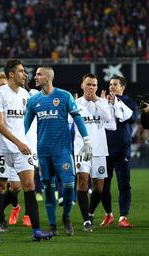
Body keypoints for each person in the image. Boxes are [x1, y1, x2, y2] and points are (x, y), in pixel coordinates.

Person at [24, 66, 93, 236]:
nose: (35, 77)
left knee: (69, 185)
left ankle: (66, 216)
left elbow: (77, 118)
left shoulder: (64, 96)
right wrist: (17, 144)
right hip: (43, 151)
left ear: (48, 77)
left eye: (39, 74)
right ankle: (53, 225)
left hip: (62, 151)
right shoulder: (33, 101)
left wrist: (86, 140)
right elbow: (24, 126)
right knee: (48, 188)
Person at [0, 60, 52, 242]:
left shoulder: (25, 94)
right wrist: (18, 142)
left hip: (22, 149)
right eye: (21, 71)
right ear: (11, 74)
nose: (25, 74)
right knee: (0, 187)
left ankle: (37, 231)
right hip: (1, 149)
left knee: (29, 186)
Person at [71, 74, 114, 232]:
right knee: (82, 182)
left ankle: (90, 212)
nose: (91, 87)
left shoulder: (102, 102)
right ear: (82, 85)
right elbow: (69, 122)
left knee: (99, 188)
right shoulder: (75, 104)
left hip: (100, 150)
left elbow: (108, 119)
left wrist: (97, 99)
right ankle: (86, 220)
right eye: (88, 84)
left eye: (94, 85)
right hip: (82, 149)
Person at [100, 75, 138, 228]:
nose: (111, 87)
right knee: (103, 185)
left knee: (123, 184)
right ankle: (108, 214)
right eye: (110, 84)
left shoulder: (129, 102)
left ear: (122, 87)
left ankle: (123, 216)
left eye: (115, 84)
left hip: (122, 149)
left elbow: (132, 119)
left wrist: (115, 103)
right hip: (103, 149)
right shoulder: (103, 102)